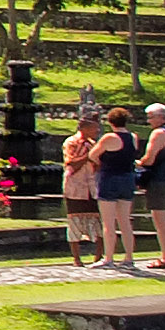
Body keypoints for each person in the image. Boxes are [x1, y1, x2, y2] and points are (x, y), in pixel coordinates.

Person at [134, 92, 165, 276]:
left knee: (161, 221)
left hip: (158, 181)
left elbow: (149, 159)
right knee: (164, 219)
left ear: (161, 117)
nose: (148, 121)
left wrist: (138, 163)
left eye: (150, 117)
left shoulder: (158, 133)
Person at [93, 100, 139, 269]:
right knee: (125, 221)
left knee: (108, 222)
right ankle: (129, 257)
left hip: (110, 178)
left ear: (111, 122)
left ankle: (109, 258)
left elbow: (93, 155)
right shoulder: (133, 137)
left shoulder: (109, 138)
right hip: (128, 178)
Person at [60, 104, 102, 263]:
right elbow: (71, 163)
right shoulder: (71, 142)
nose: (97, 131)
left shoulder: (93, 143)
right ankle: (77, 258)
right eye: (94, 128)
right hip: (75, 188)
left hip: (92, 189)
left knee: (97, 221)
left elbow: (98, 164)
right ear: (85, 127)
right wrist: (88, 156)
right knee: (74, 221)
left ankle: (99, 255)